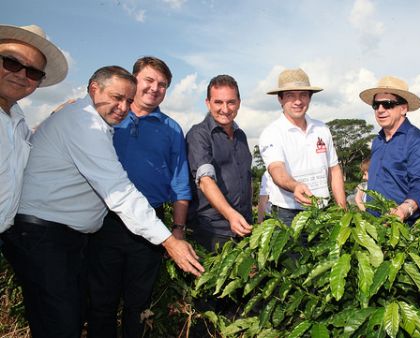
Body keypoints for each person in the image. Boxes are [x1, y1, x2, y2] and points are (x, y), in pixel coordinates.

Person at [0, 65, 204, 338]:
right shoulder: (85, 123)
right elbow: (118, 190)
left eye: (127, 101)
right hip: (45, 235)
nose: (123, 107)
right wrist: (169, 241)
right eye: (117, 97)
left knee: (65, 316)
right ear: (93, 88)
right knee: (63, 321)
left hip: (62, 236)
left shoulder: (98, 123)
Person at [86, 57, 192, 338]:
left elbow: (180, 183)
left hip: (150, 227)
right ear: (134, 81)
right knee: (101, 302)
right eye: (149, 80)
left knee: (138, 303)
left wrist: (178, 230)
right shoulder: (106, 118)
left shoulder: (171, 129)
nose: (155, 88)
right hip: (104, 222)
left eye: (163, 85)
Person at [0, 24, 67, 242]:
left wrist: (53, 117)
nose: (21, 75)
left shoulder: (16, 120)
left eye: (33, 72)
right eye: (11, 62)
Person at [259, 68, 346, 226]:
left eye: (303, 95)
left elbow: (334, 169)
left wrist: (342, 210)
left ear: (310, 98)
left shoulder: (322, 129)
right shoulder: (272, 133)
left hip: (324, 211)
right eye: (290, 95)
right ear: (280, 99)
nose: (298, 102)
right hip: (288, 215)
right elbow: (276, 169)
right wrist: (295, 186)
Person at [186, 74, 253, 252]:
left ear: (239, 102)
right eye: (218, 102)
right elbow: (205, 180)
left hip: (243, 227)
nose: (225, 109)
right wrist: (230, 215)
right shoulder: (199, 135)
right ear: (208, 103)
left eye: (231, 102)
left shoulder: (241, 135)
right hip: (213, 231)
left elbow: (247, 178)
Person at [359, 76, 420, 222]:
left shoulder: (418, 142)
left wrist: (405, 209)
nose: (380, 110)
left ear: (403, 109)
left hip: (402, 227)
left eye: (387, 104)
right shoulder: (377, 141)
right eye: (376, 105)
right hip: (372, 225)